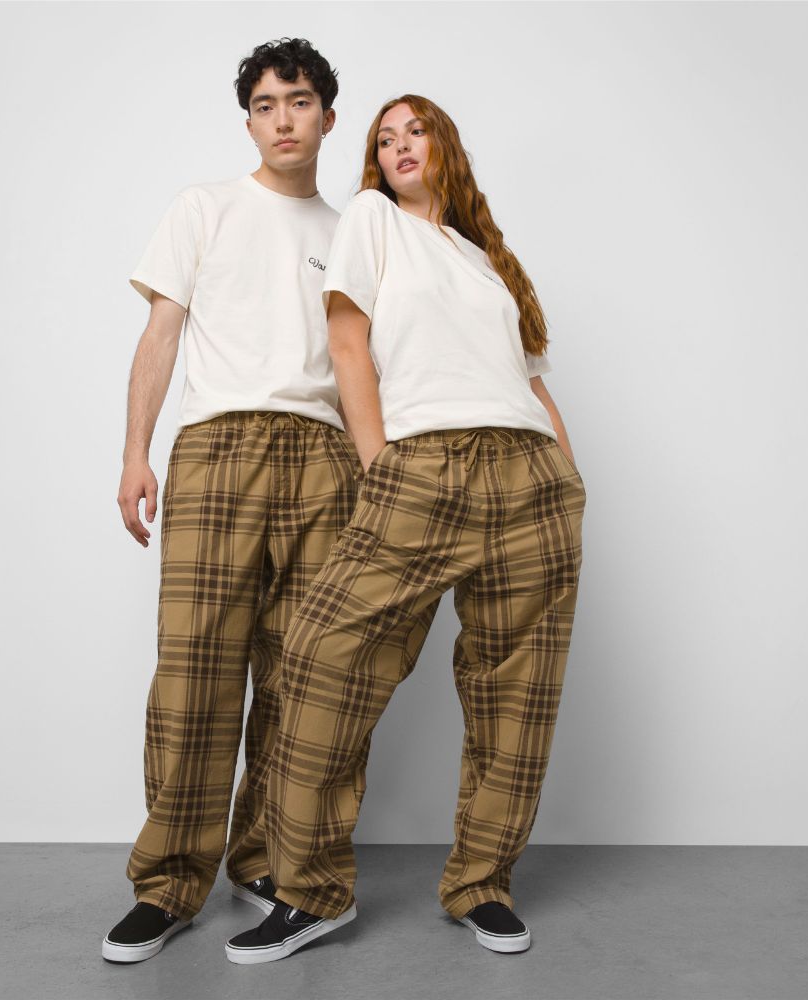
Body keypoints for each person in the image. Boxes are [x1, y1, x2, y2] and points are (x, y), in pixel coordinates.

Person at [225, 94, 587, 964]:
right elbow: (348, 345)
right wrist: (379, 465)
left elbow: (530, 382)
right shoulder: (373, 221)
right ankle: (311, 891)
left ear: (444, 144)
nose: (397, 147)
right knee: (320, 653)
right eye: (383, 138)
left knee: (515, 694)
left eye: (414, 130)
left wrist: (569, 481)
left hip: (531, 479)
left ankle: (482, 883)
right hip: (424, 465)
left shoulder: (488, 259)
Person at [102, 38, 361, 964]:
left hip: (326, 457)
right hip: (218, 447)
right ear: (248, 120)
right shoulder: (203, 207)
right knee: (194, 671)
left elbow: (367, 366)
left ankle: (266, 862)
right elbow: (160, 334)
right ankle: (169, 882)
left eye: (300, 101)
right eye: (265, 104)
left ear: (329, 116)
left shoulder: (355, 232)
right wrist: (136, 454)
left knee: (304, 676)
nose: (283, 119)